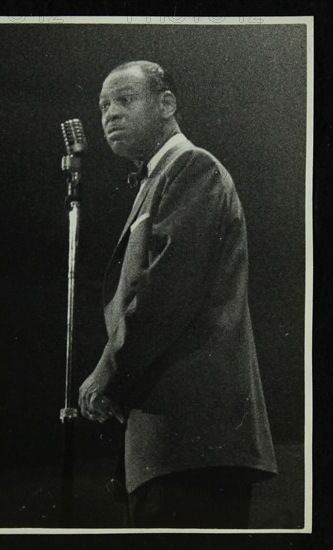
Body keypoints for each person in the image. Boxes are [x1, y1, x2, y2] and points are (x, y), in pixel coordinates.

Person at [78, 60, 277, 528]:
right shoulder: (156, 179)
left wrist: (107, 372)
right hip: (170, 444)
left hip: (192, 441)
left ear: (167, 104)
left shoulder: (192, 167)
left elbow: (166, 291)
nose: (109, 114)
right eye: (104, 105)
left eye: (125, 100)